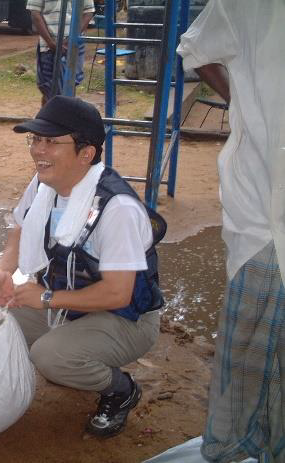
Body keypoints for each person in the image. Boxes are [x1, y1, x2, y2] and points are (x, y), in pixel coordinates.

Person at [0, 95, 165, 437]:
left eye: (51, 142)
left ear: (86, 153)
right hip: (70, 302)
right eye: (35, 139)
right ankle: (71, 352)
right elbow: (20, 228)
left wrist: (46, 299)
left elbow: (118, 293)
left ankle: (120, 390)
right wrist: (4, 269)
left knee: (51, 357)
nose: (38, 150)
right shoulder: (43, 184)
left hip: (126, 318)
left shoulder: (116, 208)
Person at [176, 1, 284, 461]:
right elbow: (194, 51)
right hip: (261, 213)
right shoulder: (249, 5)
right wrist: (242, 99)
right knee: (245, 355)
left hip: (260, 207)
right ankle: (235, 446)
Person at [27, 0, 95, 105]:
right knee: (49, 89)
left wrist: (72, 38)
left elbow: (88, 12)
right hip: (49, 46)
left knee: (69, 86)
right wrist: (50, 42)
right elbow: (35, 14)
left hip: (74, 45)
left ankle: (61, 118)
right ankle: (48, 119)